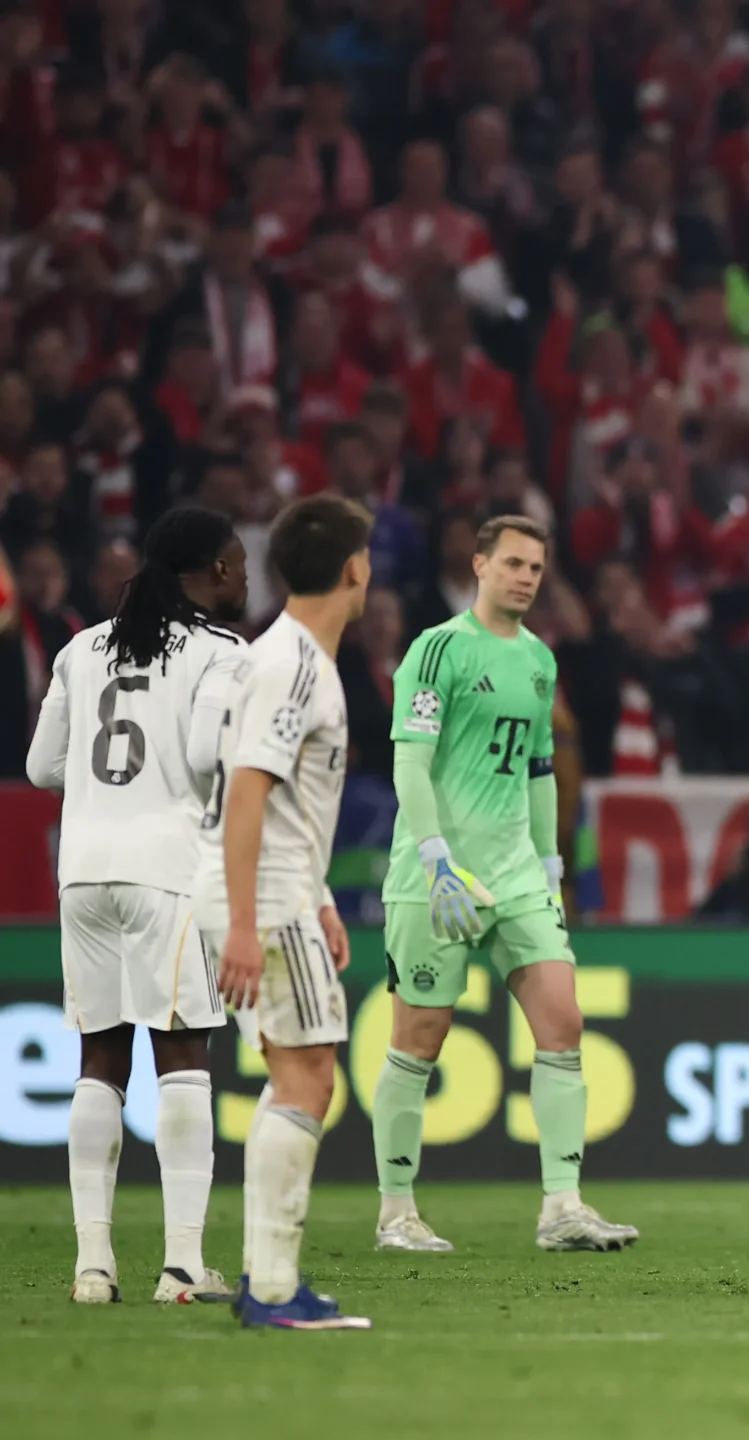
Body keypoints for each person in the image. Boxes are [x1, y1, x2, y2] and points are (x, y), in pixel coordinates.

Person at [371, 516, 636, 1254]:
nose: (526, 578)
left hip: (517, 876)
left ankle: (562, 1207)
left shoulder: (540, 660)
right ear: (480, 565)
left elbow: (540, 770)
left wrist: (550, 866)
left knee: (564, 1022)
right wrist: (434, 859)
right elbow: (410, 762)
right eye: (513, 564)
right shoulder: (438, 649)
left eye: (536, 568)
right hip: (437, 877)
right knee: (418, 1039)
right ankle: (396, 1212)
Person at [24, 507, 249, 1305]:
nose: (245, 575)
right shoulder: (223, 653)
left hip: (84, 872)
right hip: (168, 870)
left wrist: (107, 786)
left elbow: (42, 767)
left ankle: (93, 1266)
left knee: (101, 1060)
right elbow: (205, 755)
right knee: (183, 1055)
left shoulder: (81, 647)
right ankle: (182, 1266)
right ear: (215, 570)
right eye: (239, 562)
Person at [197, 494, 377, 1331]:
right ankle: (272, 1290)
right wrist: (246, 920)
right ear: (355, 568)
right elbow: (247, 792)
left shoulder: (279, 658)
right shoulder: (296, 665)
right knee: (308, 1078)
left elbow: (286, 804)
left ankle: (268, 1282)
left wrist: (321, 896)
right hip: (261, 898)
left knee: (296, 1074)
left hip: (276, 891)